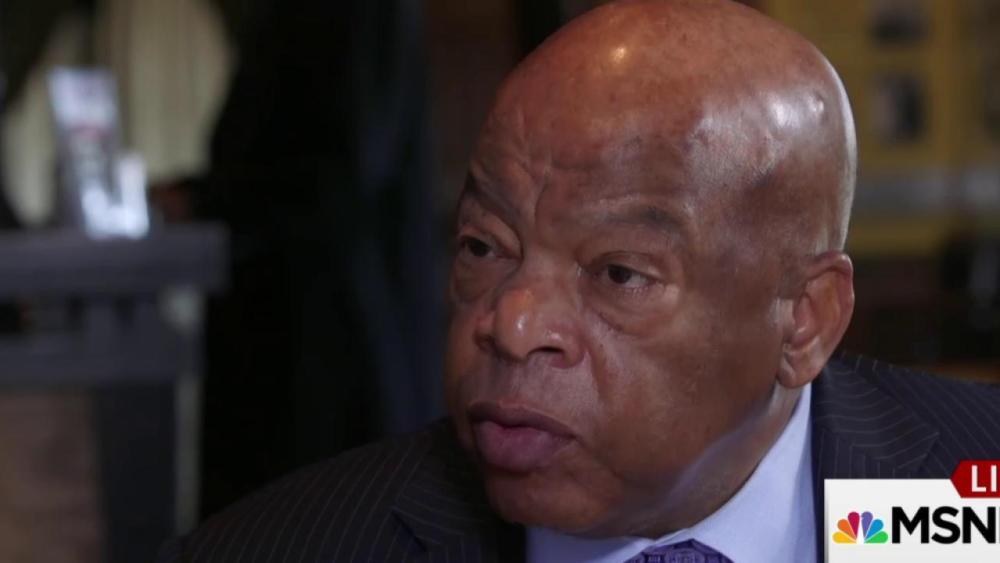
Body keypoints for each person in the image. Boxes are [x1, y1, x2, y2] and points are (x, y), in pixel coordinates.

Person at [157, 0, 1000, 561]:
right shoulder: (283, 548)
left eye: (618, 273)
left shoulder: (962, 495)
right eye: (484, 247)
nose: (512, 323)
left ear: (805, 319)